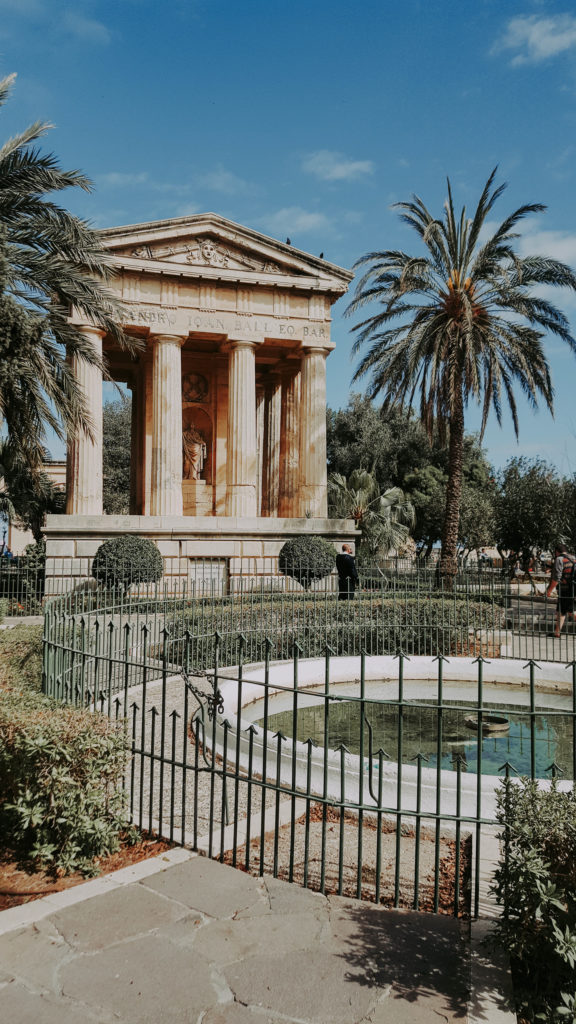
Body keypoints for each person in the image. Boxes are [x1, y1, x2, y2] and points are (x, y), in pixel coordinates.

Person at [546, 543, 576, 637]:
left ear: (556, 552)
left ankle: (557, 632)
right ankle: (557, 632)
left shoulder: (559, 559)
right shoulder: (574, 558)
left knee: (571, 611)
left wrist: (549, 590)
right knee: (561, 611)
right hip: (574, 589)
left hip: (565, 590)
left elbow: (556, 578)